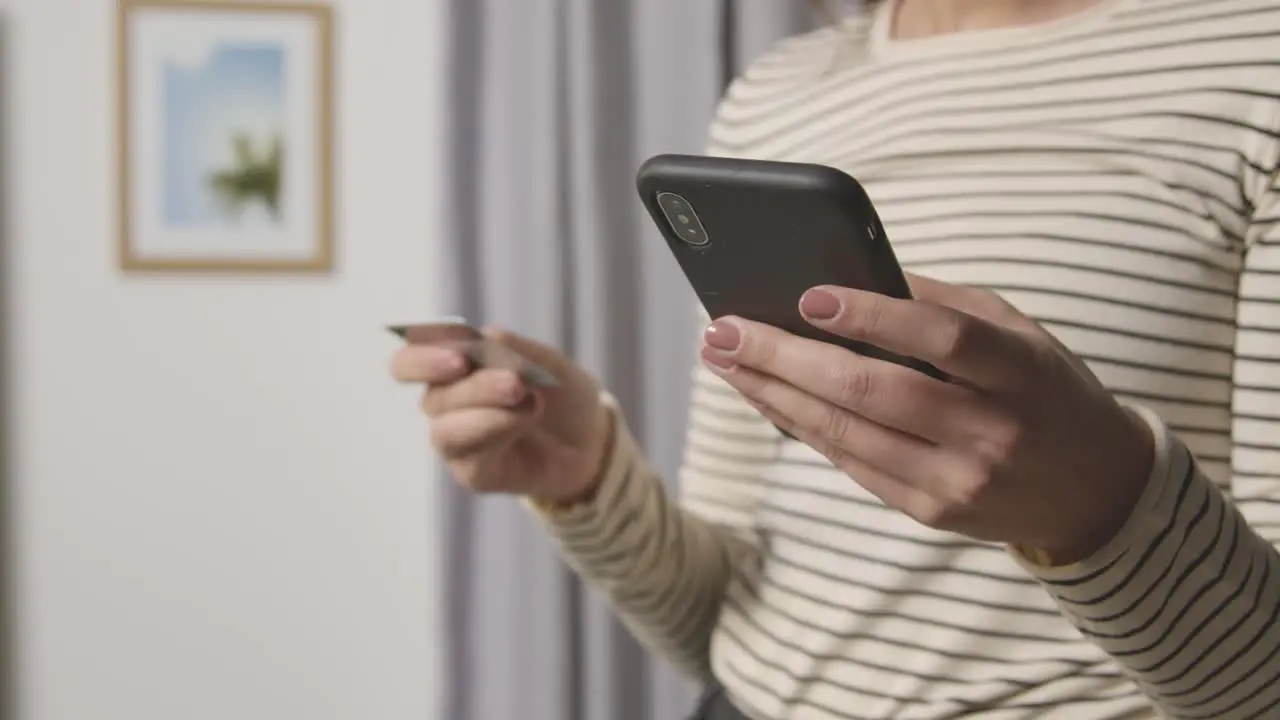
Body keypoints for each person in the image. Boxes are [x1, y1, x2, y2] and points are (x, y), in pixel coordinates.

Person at [392, 0, 1280, 716]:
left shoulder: (1253, 56)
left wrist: (1104, 512)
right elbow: (721, 624)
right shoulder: (777, 94)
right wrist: (589, 477)